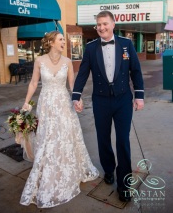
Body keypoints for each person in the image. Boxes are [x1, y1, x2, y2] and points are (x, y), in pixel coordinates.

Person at [20, 31, 99, 208]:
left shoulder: (68, 62)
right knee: (48, 138)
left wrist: (77, 99)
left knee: (65, 137)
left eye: (64, 39)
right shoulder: (39, 60)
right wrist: (26, 102)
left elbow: (72, 85)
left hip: (63, 104)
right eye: (61, 39)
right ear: (51, 42)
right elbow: (33, 83)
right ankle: (49, 171)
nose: (64, 42)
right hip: (46, 104)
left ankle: (68, 169)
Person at [72, 11, 144, 202]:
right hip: (101, 101)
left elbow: (135, 71)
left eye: (105, 24)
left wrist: (139, 96)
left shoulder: (126, 44)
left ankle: (124, 184)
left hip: (122, 100)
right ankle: (108, 169)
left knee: (123, 141)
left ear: (113, 24)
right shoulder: (90, 48)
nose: (101, 27)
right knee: (103, 138)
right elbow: (82, 73)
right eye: (98, 25)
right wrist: (76, 96)